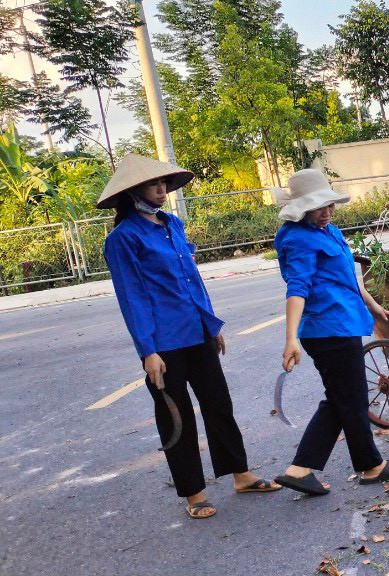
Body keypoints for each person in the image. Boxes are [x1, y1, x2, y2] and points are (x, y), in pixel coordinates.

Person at [100, 154, 280, 520]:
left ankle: (241, 475)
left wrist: (211, 326)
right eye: (154, 184)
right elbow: (132, 298)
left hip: (196, 332)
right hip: (163, 343)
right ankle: (194, 493)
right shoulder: (123, 239)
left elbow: (192, 280)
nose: (161, 189)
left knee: (219, 404)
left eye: (164, 183)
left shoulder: (173, 225)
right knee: (176, 416)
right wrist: (147, 350)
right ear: (133, 191)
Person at [271, 169, 389, 496]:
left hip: (342, 322)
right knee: (348, 397)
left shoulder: (328, 231)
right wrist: (290, 337)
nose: (326, 212)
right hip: (326, 329)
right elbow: (297, 287)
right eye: (318, 206)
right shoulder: (297, 239)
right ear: (301, 207)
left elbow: (346, 275)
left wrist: (374, 305)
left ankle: (306, 468)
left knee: (342, 398)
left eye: (329, 205)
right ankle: (367, 465)